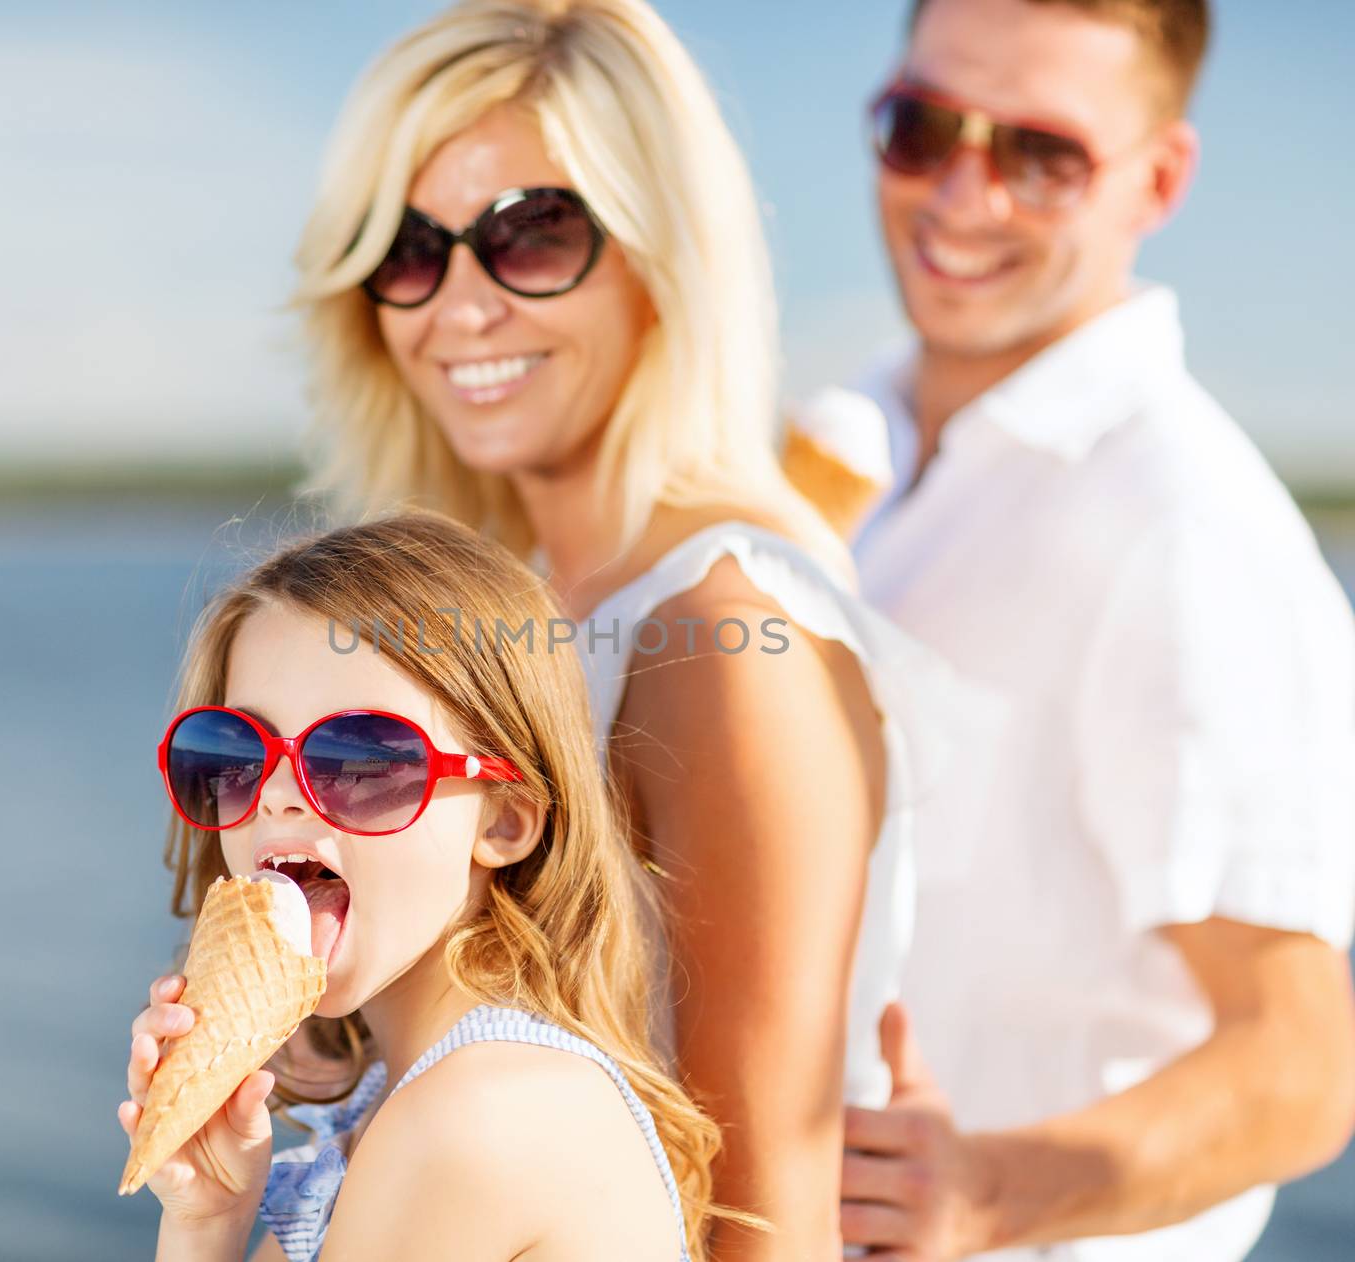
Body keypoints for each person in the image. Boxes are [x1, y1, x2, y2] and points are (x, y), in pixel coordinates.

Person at [288, 2, 979, 1255]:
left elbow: (760, 1214)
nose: (460, 303)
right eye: (407, 249)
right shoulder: (531, 597)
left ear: (664, 252)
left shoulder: (727, 631)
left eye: (532, 235)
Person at [789, 1, 1355, 1257]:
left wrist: (986, 1189)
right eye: (922, 128)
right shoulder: (839, 446)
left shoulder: (1184, 524)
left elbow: (1299, 1061)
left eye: (1040, 155)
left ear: (1156, 178)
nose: (963, 195)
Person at [117, 512, 747, 1261]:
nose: (281, 793)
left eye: (359, 757)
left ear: (506, 822)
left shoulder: (475, 1117)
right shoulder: (394, 1110)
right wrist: (207, 1218)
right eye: (234, 751)